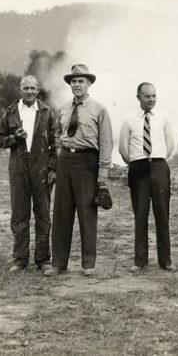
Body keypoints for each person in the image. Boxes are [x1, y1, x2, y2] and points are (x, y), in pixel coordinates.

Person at [46, 64, 113, 277]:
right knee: (62, 213)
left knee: (87, 213)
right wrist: (58, 158)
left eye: (81, 81)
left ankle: (88, 264)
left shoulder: (99, 109)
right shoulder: (63, 109)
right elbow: (57, 135)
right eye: (73, 81)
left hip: (87, 161)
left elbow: (106, 143)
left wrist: (102, 175)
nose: (76, 85)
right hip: (66, 159)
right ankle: (59, 263)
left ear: (89, 84)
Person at [0, 75, 58, 273]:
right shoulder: (11, 112)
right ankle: (20, 259)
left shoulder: (47, 112)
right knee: (19, 214)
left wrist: (53, 168)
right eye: (26, 88)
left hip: (41, 168)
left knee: (43, 214)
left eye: (33, 88)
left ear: (38, 90)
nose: (29, 91)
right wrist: (14, 137)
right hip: (18, 168)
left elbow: (56, 142)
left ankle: (42, 259)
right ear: (19, 89)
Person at [118, 82, 176, 273]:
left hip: (159, 166)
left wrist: (157, 160)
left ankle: (165, 261)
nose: (151, 99)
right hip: (138, 168)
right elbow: (123, 148)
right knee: (140, 214)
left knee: (162, 214)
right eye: (147, 96)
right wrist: (136, 164)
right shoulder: (128, 120)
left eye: (154, 96)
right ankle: (140, 260)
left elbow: (170, 145)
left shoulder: (163, 118)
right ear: (138, 97)